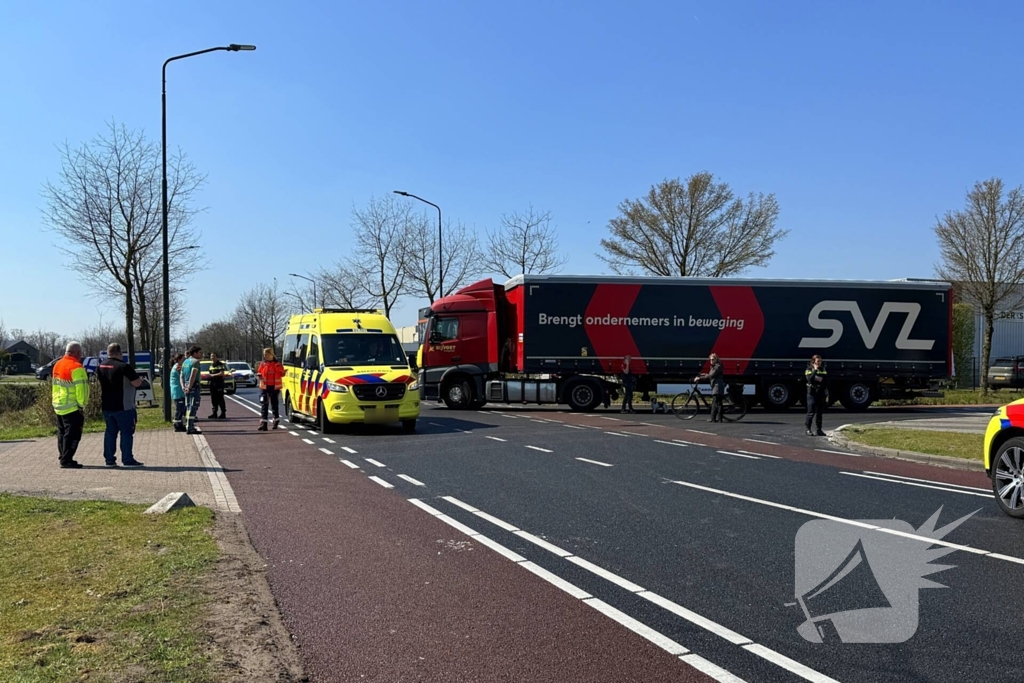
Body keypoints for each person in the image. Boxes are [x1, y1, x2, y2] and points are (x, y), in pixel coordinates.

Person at [96, 343, 145, 467]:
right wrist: (141, 381)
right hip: (124, 406)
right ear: (119, 353)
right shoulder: (124, 367)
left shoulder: (101, 366)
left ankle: (109, 460)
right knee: (127, 433)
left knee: (110, 433)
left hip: (107, 405)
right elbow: (137, 383)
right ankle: (127, 459)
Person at [51, 341, 90, 469]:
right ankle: (67, 459)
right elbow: (82, 390)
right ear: (78, 353)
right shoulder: (77, 367)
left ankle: (63, 455)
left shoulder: (57, 364)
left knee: (62, 432)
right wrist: (81, 405)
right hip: (72, 406)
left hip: (58, 404)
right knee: (73, 434)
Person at [257, 347, 285, 431]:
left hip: (274, 387)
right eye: (264, 355)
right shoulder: (262, 364)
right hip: (264, 387)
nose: (265, 356)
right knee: (264, 405)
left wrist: (283, 373)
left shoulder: (278, 364)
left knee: (274, 405)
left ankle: (276, 421)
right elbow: (259, 372)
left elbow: (281, 374)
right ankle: (264, 424)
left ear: (271, 354)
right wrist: (259, 375)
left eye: (266, 354)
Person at [695, 353, 725, 423]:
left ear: (716, 359)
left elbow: (711, 375)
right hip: (716, 386)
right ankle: (717, 419)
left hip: (717, 387)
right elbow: (710, 375)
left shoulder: (717, 367)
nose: (711, 361)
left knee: (716, 403)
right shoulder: (714, 366)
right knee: (717, 403)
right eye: (710, 359)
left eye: (713, 359)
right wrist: (703, 374)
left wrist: (700, 378)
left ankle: (715, 419)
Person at [181, 345, 203, 435]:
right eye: (200, 353)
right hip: (193, 386)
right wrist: (190, 387)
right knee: (193, 407)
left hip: (186, 386)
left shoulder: (185, 362)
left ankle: (187, 425)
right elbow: (193, 375)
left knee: (188, 406)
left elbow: (181, 375)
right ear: (195, 353)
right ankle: (190, 428)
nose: (202, 354)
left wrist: (183, 387)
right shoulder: (195, 362)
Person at [805, 354, 828, 436]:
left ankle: (819, 430)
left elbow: (825, 379)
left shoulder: (823, 369)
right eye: (818, 361)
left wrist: (817, 378)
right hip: (812, 393)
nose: (819, 363)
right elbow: (809, 379)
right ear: (813, 362)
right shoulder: (809, 369)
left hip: (820, 393)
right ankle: (808, 429)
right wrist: (815, 371)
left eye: (820, 361)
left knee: (819, 413)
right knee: (811, 412)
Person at [207, 353, 227, 419]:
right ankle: (214, 413)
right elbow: (210, 373)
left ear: (217, 357)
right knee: (213, 398)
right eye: (211, 356)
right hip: (212, 383)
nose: (213, 358)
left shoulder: (220, 364)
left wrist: (213, 375)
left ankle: (223, 413)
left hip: (219, 383)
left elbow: (222, 373)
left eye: (214, 356)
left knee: (220, 398)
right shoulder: (211, 365)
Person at [169, 353, 186, 432]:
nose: (185, 361)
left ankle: (180, 424)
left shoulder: (178, 366)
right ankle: (177, 425)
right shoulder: (177, 367)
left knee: (182, 408)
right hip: (177, 391)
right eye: (183, 359)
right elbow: (183, 376)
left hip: (180, 391)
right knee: (179, 409)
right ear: (179, 360)